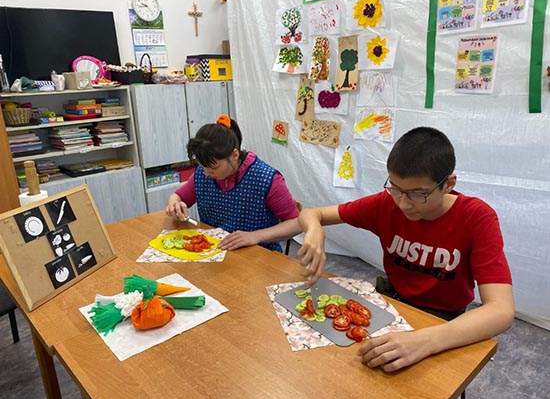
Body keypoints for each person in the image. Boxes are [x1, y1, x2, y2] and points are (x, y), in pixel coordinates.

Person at [297, 126, 514, 372]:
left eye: (418, 194)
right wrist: (314, 229)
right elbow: (311, 213)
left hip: (443, 317)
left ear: (449, 184)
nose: (403, 203)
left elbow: (501, 310)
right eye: (396, 188)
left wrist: (426, 340)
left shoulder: (476, 217)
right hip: (393, 302)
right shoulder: (386, 203)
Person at [166, 114, 301, 252]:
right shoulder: (204, 173)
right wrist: (174, 204)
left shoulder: (265, 178)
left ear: (234, 155)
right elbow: (177, 197)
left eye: (213, 167)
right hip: (216, 252)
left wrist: (255, 236)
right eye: (202, 166)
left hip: (258, 255)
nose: (206, 173)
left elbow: (297, 223)